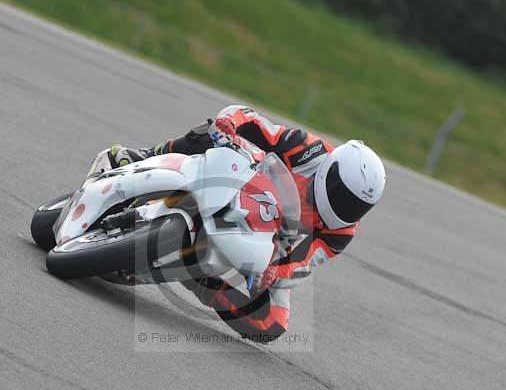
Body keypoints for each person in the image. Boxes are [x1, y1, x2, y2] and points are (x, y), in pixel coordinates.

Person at [104, 105, 386, 343]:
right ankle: (145, 154)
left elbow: (303, 263)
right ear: (331, 169)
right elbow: (254, 122)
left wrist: (274, 273)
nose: (345, 207)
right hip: (247, 180)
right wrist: (230, 123)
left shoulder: (343, 230)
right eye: (342, 195)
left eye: (357, 206)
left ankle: (194, 272)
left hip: (268, 239)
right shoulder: (309, 150)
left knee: (271, 324)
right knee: (211, 134)